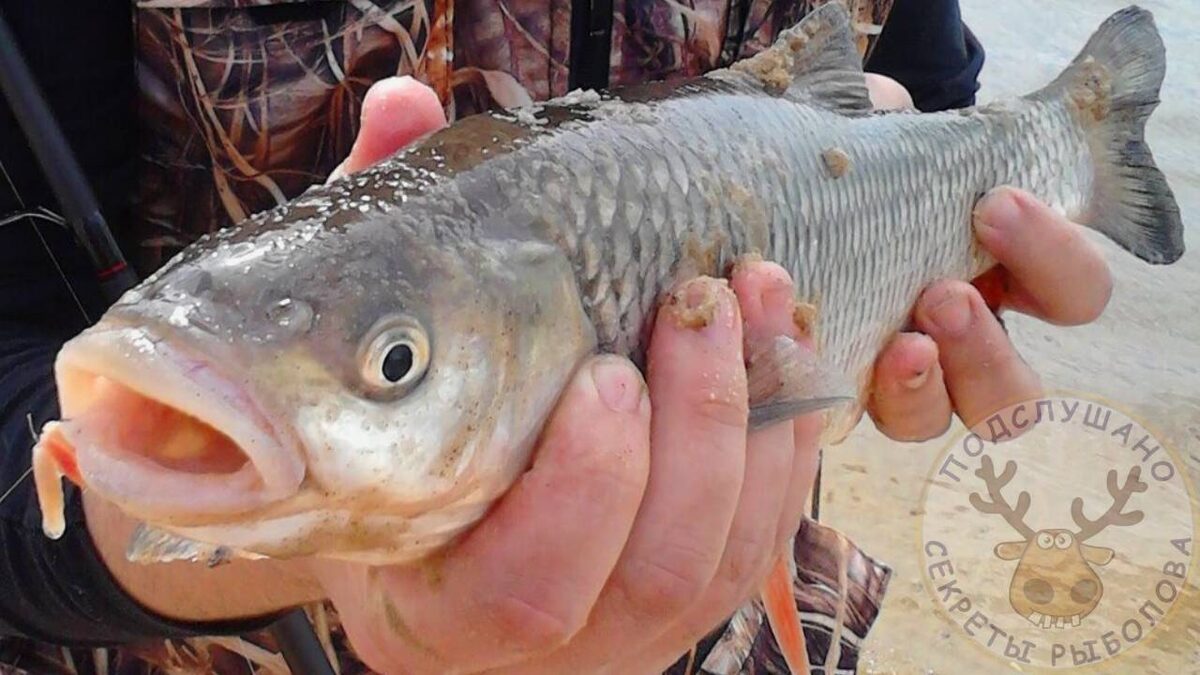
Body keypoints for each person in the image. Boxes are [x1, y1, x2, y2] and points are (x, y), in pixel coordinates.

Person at [0, 0, 1114, 672]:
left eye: (396, 362)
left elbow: (918, 94)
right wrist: (301, 548)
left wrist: (937, 300)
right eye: (402, 365)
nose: (398, 369)